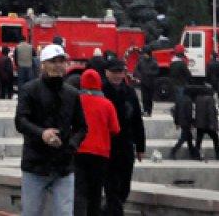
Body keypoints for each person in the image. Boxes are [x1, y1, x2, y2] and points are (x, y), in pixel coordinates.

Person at [14, 43, 87, 215]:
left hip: (63, 166)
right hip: (36, 165)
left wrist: (71, 145)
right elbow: (20, 121)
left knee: (64, 213)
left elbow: (82, 127)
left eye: (61, 61)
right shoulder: (30, 90)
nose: (58, 65)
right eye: (53, 61)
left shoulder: (72, 93)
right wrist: (42, 134)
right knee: (31, 212)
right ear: (43, 65)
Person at [74, 69, 119, 216]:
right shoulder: (107, 104)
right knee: (96, 192)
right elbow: (115, 129)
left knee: (79, 190)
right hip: (100, 153)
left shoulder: (76, 101)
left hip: (78, 151)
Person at [102, 59, 144, 216]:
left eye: (120, 72)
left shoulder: (130, 92)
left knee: (125, 185)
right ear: (107, 73)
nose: (118, 75)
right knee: (111, 185)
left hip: (126, 144)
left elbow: (137, 120)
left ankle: (109, 210)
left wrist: (140, 146)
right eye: (114, 72)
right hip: (107, 145)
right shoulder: (102, 91)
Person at [192, 84, 219, 160]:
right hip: (208, 124)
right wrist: (212, 124)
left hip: (199, 124)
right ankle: (218, 155)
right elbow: (210, 112)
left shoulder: (198, 98)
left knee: (198, 140)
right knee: (215, 139)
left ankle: (196, 155)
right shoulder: (210, 99)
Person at [168, 85, 197, 160]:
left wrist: (176, 122)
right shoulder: (189, 101)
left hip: (181, 121)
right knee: (183, 138)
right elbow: (189, 114)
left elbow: (176, 112)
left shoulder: (179, 99)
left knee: (189, 138)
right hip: (186, 122)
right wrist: (192, 123)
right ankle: (173, 151)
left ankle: (193, 154)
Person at [134, 51, 159, 117]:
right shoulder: (141, 61)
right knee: (144, 97)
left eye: (146, 54)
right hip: (143, 82)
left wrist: (149, 73)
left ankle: (149, 111)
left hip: (151, 82)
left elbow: (157, 71)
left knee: (150, 98)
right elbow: (136, 70)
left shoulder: (154, 62)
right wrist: (139, 76)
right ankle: (145, 110)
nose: (145, 55)